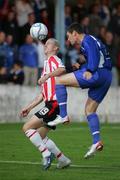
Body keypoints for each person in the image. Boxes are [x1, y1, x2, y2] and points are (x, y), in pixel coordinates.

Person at [38, 23, 112, 159]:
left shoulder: (87, 40)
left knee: (58, 80)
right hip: (107, 76)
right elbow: (98, 55)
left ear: (75, 34)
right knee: (89, 110)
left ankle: (63, 115)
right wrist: (81, 64)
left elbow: (94, 56)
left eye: (68, 36)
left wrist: (89, 70)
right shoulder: (89, 42)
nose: (68, 40)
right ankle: (96, 141)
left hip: (96, 73)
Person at [20, 38, 71, 170]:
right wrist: (28, 107)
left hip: (54, 104)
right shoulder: (46, 65)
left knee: (27, 128)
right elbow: (43, 94)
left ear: (55, 48)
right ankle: (63, 160)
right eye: (45, 44)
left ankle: (46, 154)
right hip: (51, 104)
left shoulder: (54, 60)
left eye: (48, 44)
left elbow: (62, 69)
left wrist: (47, 76)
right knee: (40, 136)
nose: (45, 45)